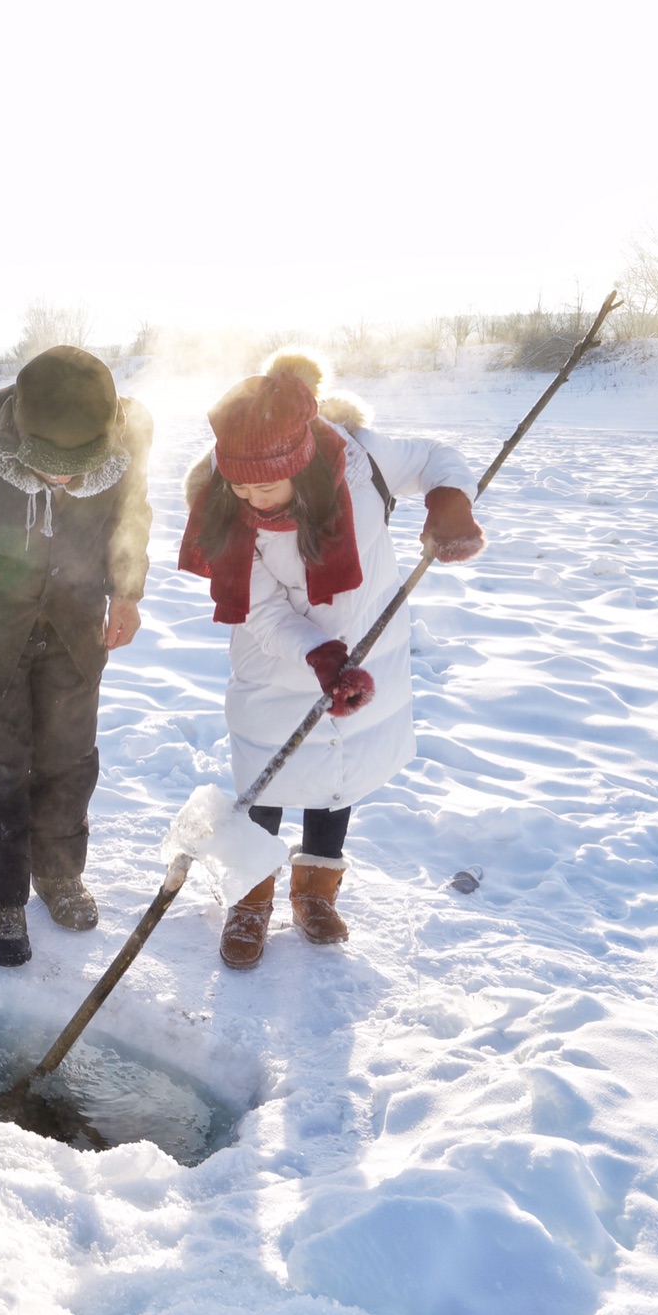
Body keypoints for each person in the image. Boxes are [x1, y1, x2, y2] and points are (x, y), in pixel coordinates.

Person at [178, 352, 486, 969]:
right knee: (266, 781)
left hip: (371, 649)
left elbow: (434, 459)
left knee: (338, 775)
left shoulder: (358, 456)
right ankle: (251, 899)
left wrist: (450, 500)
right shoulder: (224, 500)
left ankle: (316, 891)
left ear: (299, 462)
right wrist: (320, 657)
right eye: (239, 484)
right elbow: (262, 612)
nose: (249, 496)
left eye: (263, 485)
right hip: (277, 663)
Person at [0, 346, 153, 967]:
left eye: (76, 470)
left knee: (70, 757)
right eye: (49, 468)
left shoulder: (130, 431)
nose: (63, 483)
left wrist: (127, 591)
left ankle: (58, 872)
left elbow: (133, 515)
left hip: (74, 624)